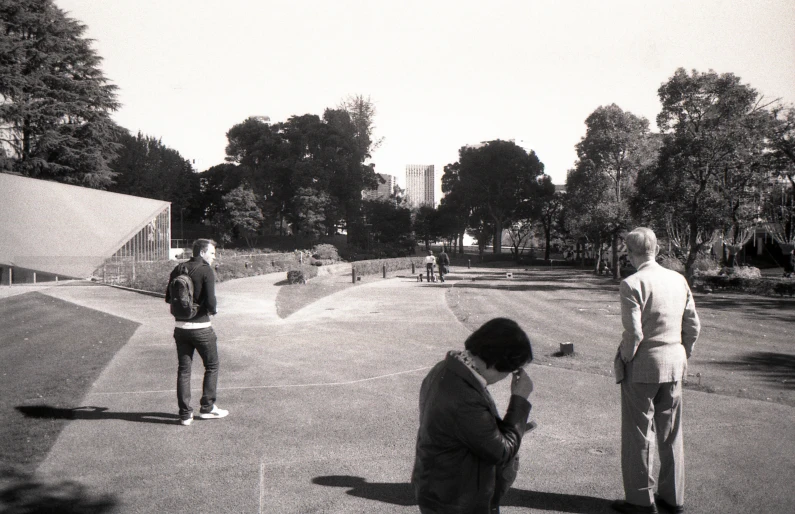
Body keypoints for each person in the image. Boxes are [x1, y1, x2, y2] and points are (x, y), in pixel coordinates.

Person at [612, 228, 700, 514]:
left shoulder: (632, 283)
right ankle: (673, 499)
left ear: (629, 252)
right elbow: (693, 326)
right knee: (671, 434)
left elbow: (634, 334)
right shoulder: (678, 279)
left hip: (642, 366)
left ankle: (640, 501)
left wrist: (624, 358)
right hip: (674, 363)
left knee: (638, 435)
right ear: (657, 248)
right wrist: (683, 352)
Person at [412, 318, 535, 513]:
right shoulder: (465, 396)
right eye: (510, 371)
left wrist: (501, 428)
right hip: (457, 502)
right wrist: (519, 401)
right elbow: (500, 452)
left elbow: (465, 431)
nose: (507, 378)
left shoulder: (445, 369)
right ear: (495, 363)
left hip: (438, 490)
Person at [165, 238, 229, 426]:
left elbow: (169, 298)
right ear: (202, 252)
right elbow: (211, 301)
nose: (214, 257)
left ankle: (185, 414)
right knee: (211, 366)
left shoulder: (179, 269)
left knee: (184, 370)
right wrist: (213, 310)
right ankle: (207, 408)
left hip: (180, 328)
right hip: (201, 328)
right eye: (212, 253)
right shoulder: (206, 270)